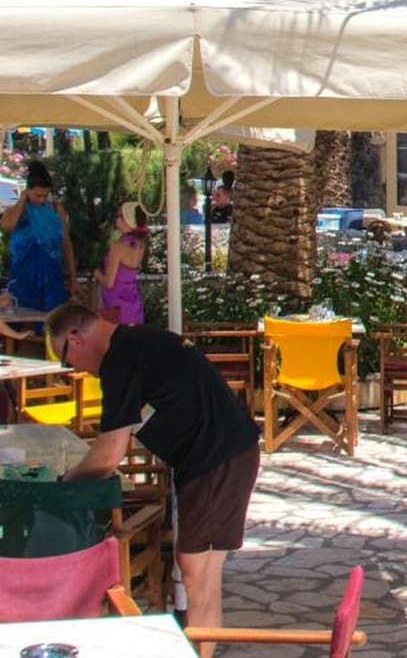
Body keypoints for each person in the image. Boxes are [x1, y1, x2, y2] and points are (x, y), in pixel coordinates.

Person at [49, 303, 259, 658]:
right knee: (202, 575)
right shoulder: (136, 342)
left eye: (66, 359)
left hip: (216, 459)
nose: (75, 369)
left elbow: (108, 455)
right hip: (224, 455)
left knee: (197, 573)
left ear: (76, 338)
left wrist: (63, 484)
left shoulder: (120, 358)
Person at [2, 160, 74, 312]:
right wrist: (22, 200)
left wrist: (72, 278)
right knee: (22, 318)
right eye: (37, 195)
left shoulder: (55, 209)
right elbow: (7, 226)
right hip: (24, 278)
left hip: (52, 277)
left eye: (45, 195)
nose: (41, 199)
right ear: (28, 190)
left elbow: (66, 244)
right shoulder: (19, 210)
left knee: (53, 320)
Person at [95, 201, 147, 326]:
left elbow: (109, 282)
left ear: (127, 220)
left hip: (116, 303)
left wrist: (96, 274)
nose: (116, 219)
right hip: (134, 299)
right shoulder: (140, 244)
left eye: (120, 216)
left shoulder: (118, 247)